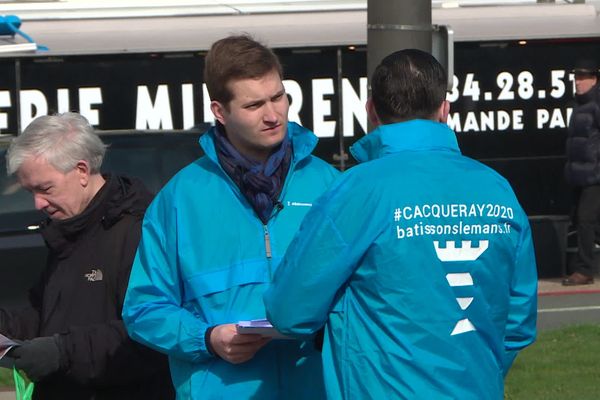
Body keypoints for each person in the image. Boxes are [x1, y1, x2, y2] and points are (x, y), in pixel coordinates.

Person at [264, 49, 538, 399]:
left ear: (371, 111)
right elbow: (517, 323)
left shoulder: (359, 189)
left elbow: (289, 311)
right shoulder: (497, 189)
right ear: (444, 109)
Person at [122, 35, 338, 399]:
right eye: (254, 105)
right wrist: (207, 339)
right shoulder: (180, 198)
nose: (273, 114)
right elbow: (143, 308)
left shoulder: (331, 185)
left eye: (278, 97)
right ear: (220, 112)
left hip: (316, 386)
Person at [3, 112, 174, 400]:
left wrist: (62, 352)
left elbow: (150, 333)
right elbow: (45, 314)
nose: (37, 203)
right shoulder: (68, 231)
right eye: (30, 191)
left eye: (45, 189)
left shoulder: (138, 231)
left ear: (82, 170)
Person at [563, 58, 600, 285]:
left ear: (594, 79)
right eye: (576, 78)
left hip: (595, 172)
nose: (578, 82)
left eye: (583, 78)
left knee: (586, 219)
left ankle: (585, 270)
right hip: (580, 173)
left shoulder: (596, 102)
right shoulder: (579, 104)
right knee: (585, 221)